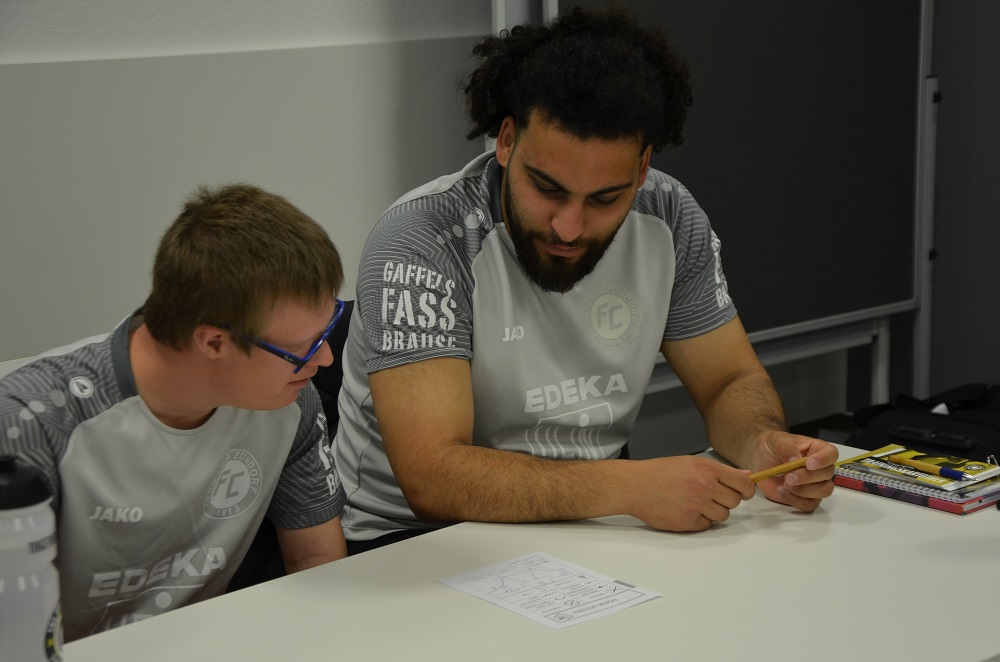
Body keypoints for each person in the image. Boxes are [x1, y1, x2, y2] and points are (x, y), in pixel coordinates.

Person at [330, 5, 838, 553]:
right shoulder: (424, 238)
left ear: (642, 170)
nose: (568, 227)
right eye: (546, 187)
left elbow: (728, 382)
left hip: (593, 523)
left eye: (605, 199)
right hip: (414, 542)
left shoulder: (669, 214)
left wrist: (762, 443)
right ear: (505, 142)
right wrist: (630, 487)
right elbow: (434, 476)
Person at [0, 183, 349, 641]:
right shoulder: (31, 424)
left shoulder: (290, 402)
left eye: (329, 331)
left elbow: (316, 566)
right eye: (304, 347)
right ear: (213, 342)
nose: (325, 361)